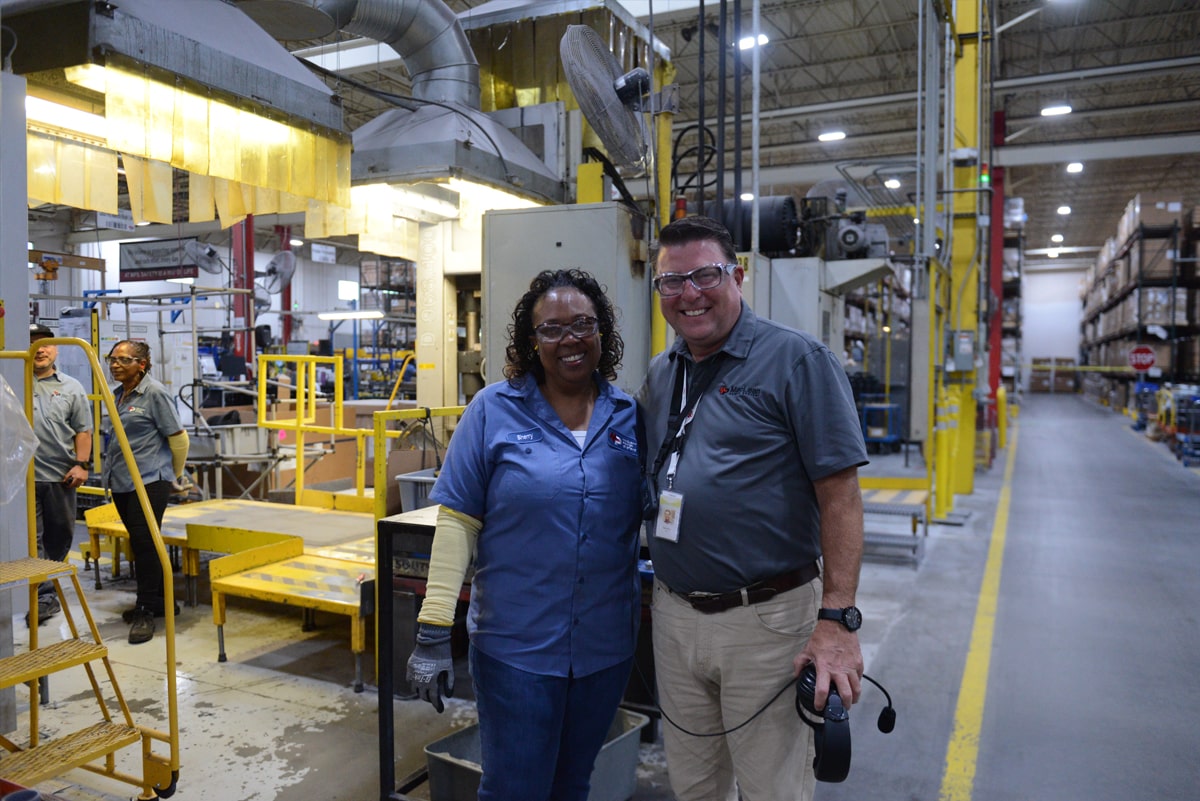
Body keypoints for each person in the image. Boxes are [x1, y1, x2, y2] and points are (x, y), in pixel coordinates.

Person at [637, 215, 869, 801]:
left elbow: (840, 496)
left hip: (767, 623)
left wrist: (837, 621)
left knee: (772, 788)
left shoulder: (795, 361)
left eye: (705, 275)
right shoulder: (665, 373)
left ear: (738, 276)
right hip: (674, 613)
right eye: (672, 281)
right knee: (693, 785)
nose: (689, 294)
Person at [406, 269, 643, 801]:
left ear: (602, 331)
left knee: (573, 785)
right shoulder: (492, 410)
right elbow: (458, 521)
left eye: (583, 324)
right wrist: (432, 630)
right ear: (531, 343)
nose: (570, 340)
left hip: (604, 649)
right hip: (517, 651)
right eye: (552, 329)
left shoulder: (628, 416)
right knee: (514, 788)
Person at [101, 340, 189, 645]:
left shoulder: (154, 393)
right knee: (142, 543)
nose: (114, 365)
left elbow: (178, 439)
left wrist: (173, 476)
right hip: (123, 481)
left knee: (145, 544)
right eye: (112, 359)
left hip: (150, 480)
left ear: (142, 364)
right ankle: (163, 603)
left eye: (123, 360)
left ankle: (144, 611)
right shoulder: (118, 395)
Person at [29, 323, 93, 625]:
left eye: (45, 343)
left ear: (56, 349)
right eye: (32, 343)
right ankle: (40, 596)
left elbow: (83, 430)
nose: (39, 349)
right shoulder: (11, 382)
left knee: (59, 537)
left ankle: (47, 588)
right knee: (32, 540)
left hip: (60, 476)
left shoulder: (71, 387)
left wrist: (82, 464)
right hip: (23, 479)